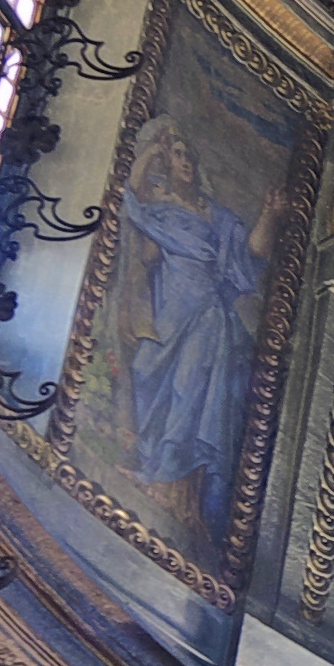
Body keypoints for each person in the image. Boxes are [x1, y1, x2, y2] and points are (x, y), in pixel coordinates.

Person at [110, 117, 281, 557]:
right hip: (172, 311)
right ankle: (152, 468)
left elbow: (251, 255)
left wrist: (269, 214)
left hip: (208, 317)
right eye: (178, 156)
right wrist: (153, 151)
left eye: (188, 155)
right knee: (152, 373)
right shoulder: (162, 212)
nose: (184, 162)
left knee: (194, 394)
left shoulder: (217, 216)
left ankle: (171, 489)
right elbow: (129, 199)